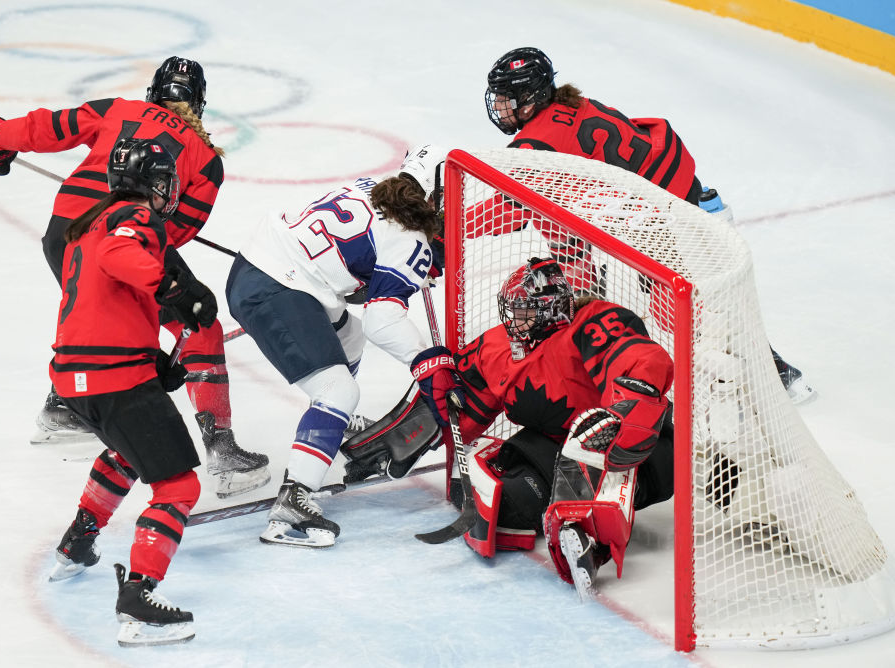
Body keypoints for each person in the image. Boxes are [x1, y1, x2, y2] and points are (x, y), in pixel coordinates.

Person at [0, 56, 270, 496]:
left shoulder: (120, 109)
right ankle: (222, 451)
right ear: (200, 103)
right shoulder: (207, 160)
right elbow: (178, 231)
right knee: (199, 329)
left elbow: (53, 127)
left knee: (94, 313)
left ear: (154, 91)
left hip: (66, 232)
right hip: (128, 244)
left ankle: (64, 407)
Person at [482, 47, 814, 404]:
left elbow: (510, 209)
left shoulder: (535, 143)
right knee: (578, 244)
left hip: (664, 213)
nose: (499, 106)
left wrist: (441, 226)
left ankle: (773, 376)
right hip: (675, 186)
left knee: (683, 313)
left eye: (507, 98)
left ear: (532, 97)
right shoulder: (570, 104)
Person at [406, 256, 675, 600]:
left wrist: (626, 410)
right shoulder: (500, 345)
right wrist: (440, 384)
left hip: (620, 447)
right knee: (507, 506)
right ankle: (573, 518)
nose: (515, 319)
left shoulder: (592, 322)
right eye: (513, 309)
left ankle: (593, 524)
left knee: (656, 465)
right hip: (549, 451)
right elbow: (464, 401)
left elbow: (640, 359)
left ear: (548, 310)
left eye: (524, 310)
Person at [226, 144, 449, 548]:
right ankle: (293, 502)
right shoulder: (410, 236)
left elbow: (355, 273)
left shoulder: (376, 187)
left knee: (350, 335)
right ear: (436, 194)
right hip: (277, 287)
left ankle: (333, 426)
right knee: (338, 390)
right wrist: (430, 362)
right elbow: (385, 321)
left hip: (266, 266)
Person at [46, 137, 212, 646]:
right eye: (165, 183)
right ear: (150, 185)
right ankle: (138, 600)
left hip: (73, 377)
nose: (169, 194)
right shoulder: (135, 219)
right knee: (179, 487)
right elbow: (123, 256)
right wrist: (175, 291)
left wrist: (151, 359)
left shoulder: (86, 224)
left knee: (125, 448)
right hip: (114, 377)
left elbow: (102, 297)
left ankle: (78, 542)